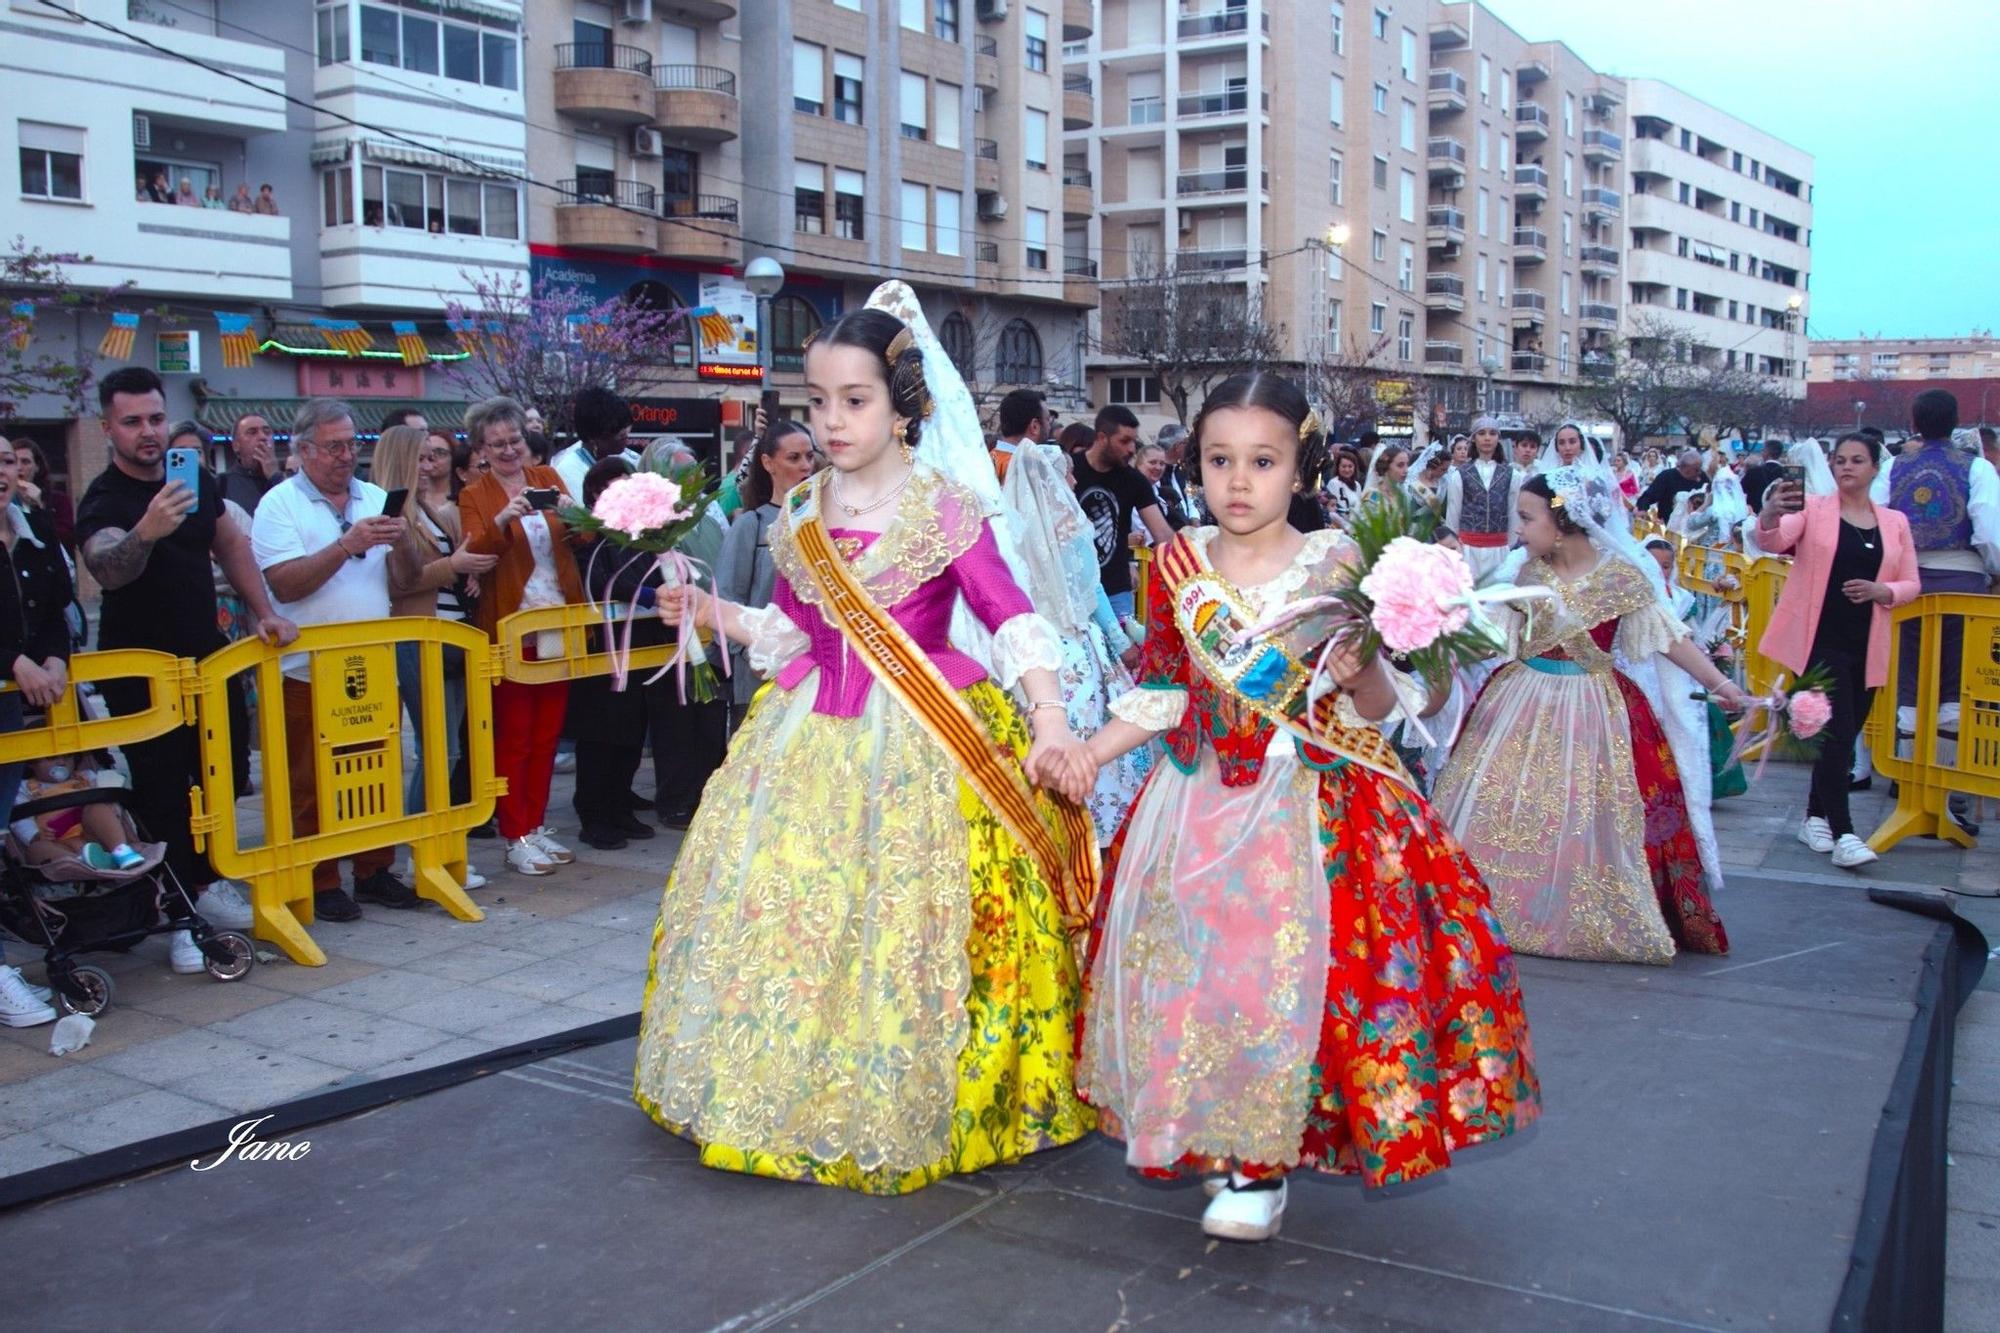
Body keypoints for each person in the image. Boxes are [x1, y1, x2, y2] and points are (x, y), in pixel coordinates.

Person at [634, 297, 1098, 1195]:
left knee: (908, 924)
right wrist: (710, 612)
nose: (833, 422)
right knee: (797, 917)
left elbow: (1011, 618)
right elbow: (796, 635)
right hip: (809, 736)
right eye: (818, 402)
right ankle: (782, 1090)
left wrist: (1047, 717)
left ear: (902, 405)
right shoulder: (801, 509)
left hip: (927, 738)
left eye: (854, 401)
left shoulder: (945, 508)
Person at [1072, 371, 1539, 1242]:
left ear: (1300, 467)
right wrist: (1088, 752)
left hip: (1309, 805)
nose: (1237, 481)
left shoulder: (1342, 564)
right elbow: (1166, 688)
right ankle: (1227, 1133)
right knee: (1199, 981)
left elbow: (1395, 705)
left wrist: (1365, 666)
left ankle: (1260, 1162)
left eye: (1262, 460)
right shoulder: (1178, 567)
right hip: (1196, 804)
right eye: (1218, 460)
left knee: (1287, 979)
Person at [1432, 468, 1750, 964]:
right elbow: (1490, 636)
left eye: (1526, 518)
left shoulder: (1621, 577)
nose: (1518, 530)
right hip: (1519, 700)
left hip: (1595, 708)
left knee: (1587, 810)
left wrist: (1722, 684)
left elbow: (1669, 637)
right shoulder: (1526, 573)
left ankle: (1568, 911)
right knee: (1510, 807)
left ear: (1561, 522)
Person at [76, 367, 292, 939]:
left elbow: (231, 541)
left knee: (222, 776)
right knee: (164, 787)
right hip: (139, 669)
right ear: (107, 428)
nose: (148, 432)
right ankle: (180, 907)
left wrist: (263, 610)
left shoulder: (191, 476)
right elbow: (105, 570)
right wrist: (145, 530)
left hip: (206, 655)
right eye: (132, 422)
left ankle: (209, 880)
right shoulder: (104, 498)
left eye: (154, 418)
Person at [251, 400, 420, 921]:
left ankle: (373, 869)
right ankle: (319, 877)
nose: (347, 456)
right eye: (334, 447)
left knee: (374, 770)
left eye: (352, 444)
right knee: (308, 780)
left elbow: (408, 579)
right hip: (303, 668)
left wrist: (404, 539)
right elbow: (284, 584)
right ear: (303, 450)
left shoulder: (372, 496)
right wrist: (347, 545)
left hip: (370, 664)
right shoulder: (278, 504)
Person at [1757, 434, 1920, 868]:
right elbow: (1772, 541)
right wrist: (1769, 515)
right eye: (1840, 460)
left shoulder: (1895, 522)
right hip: (1818, 643)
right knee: (1838, 738)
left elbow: (1911, 584)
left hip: (1867, 645)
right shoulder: (1813, 509)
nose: (1847, 467)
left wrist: (1882, 590)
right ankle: (1846, 832)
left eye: (1857, 460)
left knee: (1842, 736)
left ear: (1873, 468)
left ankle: (1814, 816)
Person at [459, 396, 585, 876]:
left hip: (557, 619)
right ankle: (515, 833)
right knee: (515, 735)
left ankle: (534, 825)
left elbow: (585, 541)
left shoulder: (548, 479)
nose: (509, 450)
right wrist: (503, 518)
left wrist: (577, 516)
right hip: (511, 623)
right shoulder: (474, 494)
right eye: (498, 444)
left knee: (549, 731)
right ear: (481, 449)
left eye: (514, 440)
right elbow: (476, 552)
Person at [1003, 438, 1150, 842]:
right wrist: (1120, 639)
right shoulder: (1071, 527)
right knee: (1092, 738)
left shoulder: (1010, 528)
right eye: (1066, 472)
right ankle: (1099, 830)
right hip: (1077, 649)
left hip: (1038, 655)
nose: (1072, 480)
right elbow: (1094, 591)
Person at [1869, 389, 2000, 838]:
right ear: (1956, 419)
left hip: (1905, 585)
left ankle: (1907, 786)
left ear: (1915, 420)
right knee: (1954, 686)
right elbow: (1987, 526)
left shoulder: (1893, 465)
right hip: (1963, 583)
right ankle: (1948, 794)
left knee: (1907, 679)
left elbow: (1879, 521)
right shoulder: (1977, 467)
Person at [0, 437, 85, 1025]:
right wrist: (12, 662)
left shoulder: (30, 524)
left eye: (6, 459)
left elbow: (57, 607)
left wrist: (53, 657)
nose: (2, 471)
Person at [377, 426, 497, 839]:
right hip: (418, 636)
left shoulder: (427, 511)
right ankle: (423, 848)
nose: (429, 466)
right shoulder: (389, 513)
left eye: (434, 457)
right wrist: (455, 567)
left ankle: (437, 842)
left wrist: (467, 577)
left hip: (453, 633)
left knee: (450, 750)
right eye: (421, 457)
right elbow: (398, 584)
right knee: (438, 750)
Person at [716, 420, 815, 721]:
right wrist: (751, 653)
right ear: (768, 463)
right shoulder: (751, 526)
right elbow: (727, 599)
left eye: (810, 457)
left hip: (816, 675)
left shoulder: (826, 524)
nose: (805, 466)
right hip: (762, 678)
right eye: (794, 458)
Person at [1074, 405, 1174, 619]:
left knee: (1126, 651)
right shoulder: (1071, 470)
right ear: (1102, 437)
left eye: (1133, 441)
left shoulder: (1134, 480)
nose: (1131, 449)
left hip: (1116, 590)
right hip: (1074, 589)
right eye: (1124, 441)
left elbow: (1162, 533)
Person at [1440, 416, 1521, 585]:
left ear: (1498, 438)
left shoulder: (1512, 475)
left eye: (1492, 433)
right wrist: (1454, 549)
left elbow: (1514, 513)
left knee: (1498, 602)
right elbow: (1453, 514)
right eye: (1482, 433)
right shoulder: (1459, 474)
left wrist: (1508, 547)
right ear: (1474, 438)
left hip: (1499, 549)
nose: (1487, 438)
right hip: (1468, 549)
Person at [551, 386, 638, 500]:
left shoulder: (631, 459)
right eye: (619, 434)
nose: (626, 434)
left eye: (627, 428)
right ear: (593, 436)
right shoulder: (568, 470)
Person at [221, 411, 280, 514]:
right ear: (236, 445)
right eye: (252, 432)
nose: (263, 437)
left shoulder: (290, 481)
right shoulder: (222, 484)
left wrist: (275, 477)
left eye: (267, 432)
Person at [989, 386, 1049, 482]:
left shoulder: (986, 461)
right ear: (1034, 426)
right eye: (1047, 419)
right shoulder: (1026, 468)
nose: (1049, 426)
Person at [1636, 448, 1708, 522]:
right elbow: (1647, 497)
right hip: (1670, 525)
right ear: (1686, 468)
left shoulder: (1703, 477)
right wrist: (1642, 509)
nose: (1699, 472)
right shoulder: (1667, 477)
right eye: (1696, 470)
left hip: (1696, 524)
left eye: (1700, 469)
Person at [1740, 439, 1786, 514]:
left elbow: (1741, 490)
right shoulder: (1786, 473)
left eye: (1763, 450)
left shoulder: (1754, 471)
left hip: (1756, 514)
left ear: (1767, 453)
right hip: (1779, 515)